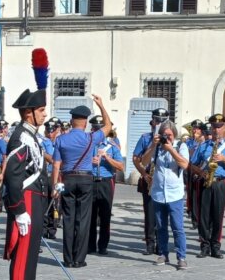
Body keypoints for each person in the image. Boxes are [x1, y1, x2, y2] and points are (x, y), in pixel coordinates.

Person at [3, 89, 50, 280]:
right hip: (27, 202)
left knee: (31, 254)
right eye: (41, 110)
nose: (44, 114)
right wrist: (19, 210)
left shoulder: (31, 135)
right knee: (22, 255)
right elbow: (13, 177)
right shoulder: (21, 137)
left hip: (36, 199)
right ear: (28, 113)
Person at [52, 96, 113, 268]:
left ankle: (68, 259)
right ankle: (79, 259)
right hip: (86, 179)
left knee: (68, 219)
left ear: (71, 122)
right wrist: (101, 105)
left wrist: (55, 186)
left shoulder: (61, 139)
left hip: (68, 178)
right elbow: (108, 126)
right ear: (85, 123)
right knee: (84, 219)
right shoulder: (90, 138)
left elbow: (56, 165)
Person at [137, 119, 189, 269]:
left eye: (170, 135)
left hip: (175, 194)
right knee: (160, 226)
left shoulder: (181, 146)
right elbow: (144, 161)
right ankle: (163, 254)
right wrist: (153, 145)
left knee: (177, 227)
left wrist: (171, 148)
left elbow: (184, 164)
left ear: (175, 135)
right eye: (164, 135)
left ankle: (181, 257)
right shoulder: (157, 147)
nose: (167, 138)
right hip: (158, 193)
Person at [193, 113, 225, 258]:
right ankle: (204, 245)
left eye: (219, 127)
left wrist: (224, 159)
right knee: (204, 216)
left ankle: (216, 246)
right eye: (214, 127)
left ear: (224, 128)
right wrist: (201, 172)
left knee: (218, 215)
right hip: (206, 181)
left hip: (220, 182)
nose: (216, 130)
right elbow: (191, 164)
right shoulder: (203, 145)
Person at [132, 110, 168, 254]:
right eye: (157, 121)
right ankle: (150, 243)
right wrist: (143, 173)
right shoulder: (146, 138)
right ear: (152, 122)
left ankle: (161, 243)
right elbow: (136, 158)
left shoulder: (170, 138)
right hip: (150, 178)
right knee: (150, 212)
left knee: (163, 213)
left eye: (162, 121)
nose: (159, 124)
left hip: (163, 179)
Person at [89, 119, 124, 255]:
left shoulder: (112, 146)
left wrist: (107, 158)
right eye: (95, 129)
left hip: (105, 181)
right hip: (91, 180)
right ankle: (90, 245)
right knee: (90, 215)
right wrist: (90, 160)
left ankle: (103, 245)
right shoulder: (88, 145)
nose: (97, 132)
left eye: (100, 130)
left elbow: (121, 166)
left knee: (105, 215)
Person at [42, 118, 63, 239]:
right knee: (44, 202)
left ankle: (52, 228)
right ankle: (44, 228)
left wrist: (51, 158)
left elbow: (56, 160)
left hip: (57, 176)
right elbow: (52, 160)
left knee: (55, 203)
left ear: (57, 130)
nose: (50, 133)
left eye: (52, 130)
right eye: (48, 130)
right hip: (46, 175)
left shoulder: (60, 142)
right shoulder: (42, 142)